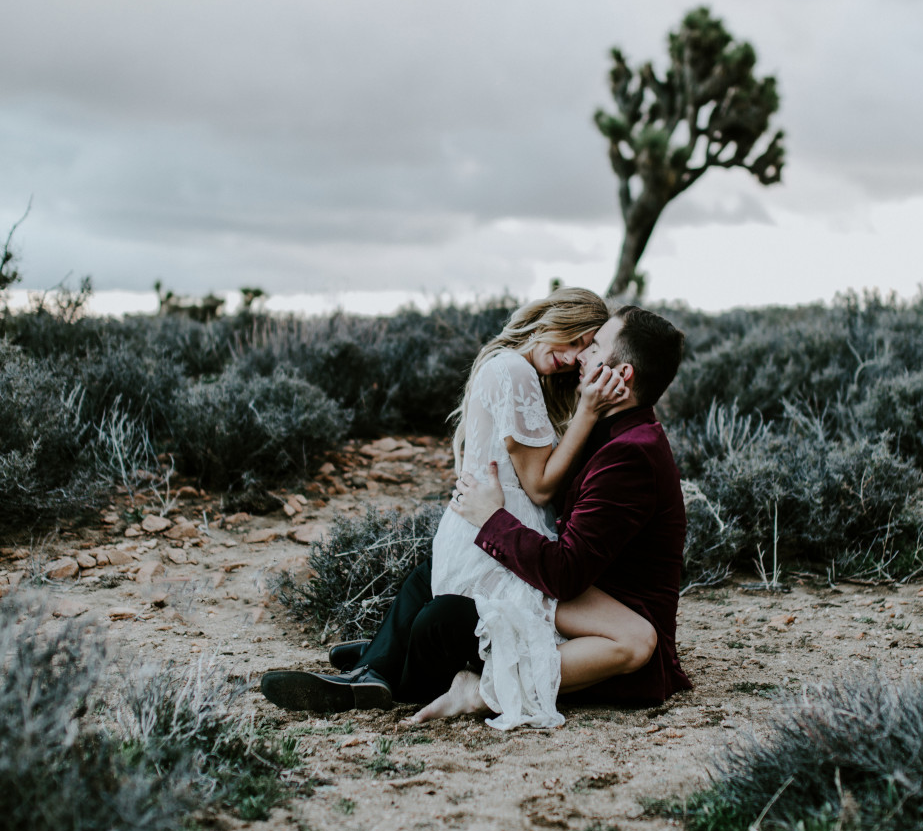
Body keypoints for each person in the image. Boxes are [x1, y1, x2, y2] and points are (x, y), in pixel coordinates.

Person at [260, 289, 652, 724]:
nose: (575, 357)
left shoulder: (508, 367)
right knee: (519, 627)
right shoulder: (514, 372)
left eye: (588, 348)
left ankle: (383, 658)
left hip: (478, 528)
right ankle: (401, 665)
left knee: (459, 605)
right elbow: (540, 488)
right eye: (577, 340)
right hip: (500, 529)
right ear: (555, 319)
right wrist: (587, 412)